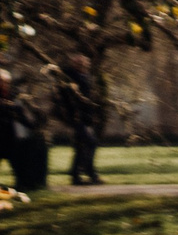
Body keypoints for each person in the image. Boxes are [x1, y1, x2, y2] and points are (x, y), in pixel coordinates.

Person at [55, 55, 105, 186]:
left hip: (85, 117)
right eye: (82, 64)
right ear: (76, 64)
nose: (85, 66)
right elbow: (70, 97)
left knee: (80, 146)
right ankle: (89, 172)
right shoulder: (71, 77)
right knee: (91, 142)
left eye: (86, 65)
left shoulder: (85, 76)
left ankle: (76, 174)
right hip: (77, 117)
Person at [0, 71, 43, 194]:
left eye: (6, 82)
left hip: (9, 137)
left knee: (17, 163)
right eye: (2, 82)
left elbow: (21, 116)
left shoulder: (12, 96)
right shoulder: (9, 101)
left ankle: (21, 185)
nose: (4, 84)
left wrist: (33, 126)